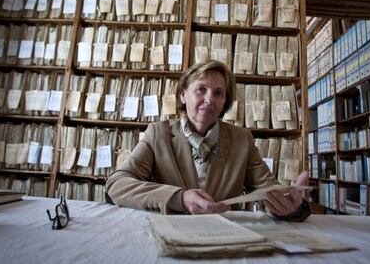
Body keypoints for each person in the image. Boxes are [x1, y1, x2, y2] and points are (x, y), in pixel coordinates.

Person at [106, 60, 310, 221]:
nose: (209, 99)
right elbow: (117, 184)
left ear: (224, 102)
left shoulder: (242, 139)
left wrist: (293, 208)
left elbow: (268, 191)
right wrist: (180, 198)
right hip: (170, 232)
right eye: (201, 89)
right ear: (183, 95)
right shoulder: (158, 134)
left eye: (218, 93)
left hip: (224, 239)